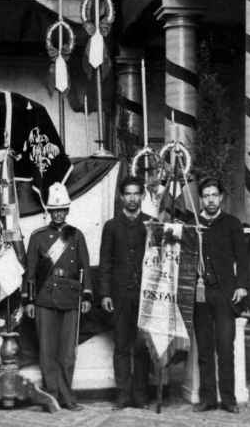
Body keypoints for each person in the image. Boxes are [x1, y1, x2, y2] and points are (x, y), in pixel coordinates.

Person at [22, 182, 92, 411]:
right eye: (55, 210)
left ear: (67, 210)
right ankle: (51, 397)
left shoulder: (76, 235)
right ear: (49, 211)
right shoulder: (38, 236)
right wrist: (29, 300)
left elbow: (85, 267)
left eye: (62, 209)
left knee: (68, 354)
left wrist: (87, 296)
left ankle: (67, 397)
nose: (59, 213)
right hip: (45, 297)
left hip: (71, 298)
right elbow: (31, 271)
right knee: (47, 351)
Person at [192, 176, 250, 413]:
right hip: (200, 295)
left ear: (221, 197)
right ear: (200, 199)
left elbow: (243, 258)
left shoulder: (232, 224)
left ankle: (228, 399)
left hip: (226, 295)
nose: (210, 200)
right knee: (204, 349)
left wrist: (241, 285)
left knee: (225, 347)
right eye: (206, 196)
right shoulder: (193, 225)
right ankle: (207, 399)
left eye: (214, 195)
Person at [98, 175, 151, 409]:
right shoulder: (111, 226)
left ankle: (140, 395)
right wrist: (105, 294)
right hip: (119, 296)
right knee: (121, 346)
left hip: (145, 296)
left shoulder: (151, 224)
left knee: (141, 346)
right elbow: (105, 262)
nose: (132, 198)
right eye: (128, 194)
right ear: (121, 197)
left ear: (142, 196)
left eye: (136, 193)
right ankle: (123, 394)